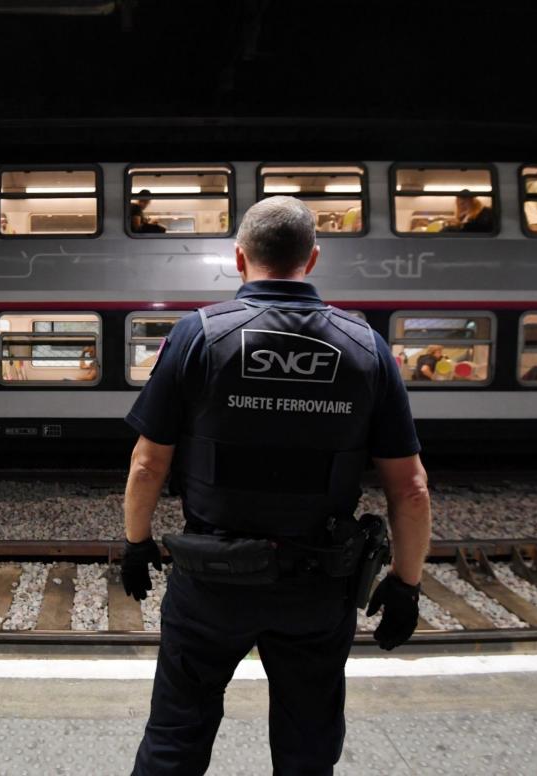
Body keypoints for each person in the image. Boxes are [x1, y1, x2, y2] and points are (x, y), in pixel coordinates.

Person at [122, 196, 430, 775]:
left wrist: (137, 543)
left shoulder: (197, 336)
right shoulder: (367, 348)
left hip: (211, 584)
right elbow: (410, 489)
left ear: (239, 259)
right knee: (307, 747)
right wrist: (406, 584)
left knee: (176, 736)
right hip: (316, 590)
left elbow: (146, 464)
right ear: (311, 259)